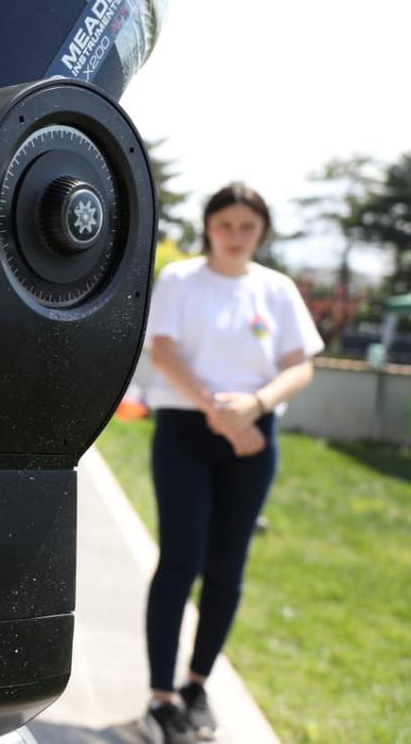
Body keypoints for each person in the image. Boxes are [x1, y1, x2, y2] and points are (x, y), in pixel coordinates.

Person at [138, 183, 322, 743]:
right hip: (186, 431)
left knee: (227, 565)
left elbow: (300, 365)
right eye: (225, 225)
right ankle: (160, 699)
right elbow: (163, 350)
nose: (235, 236)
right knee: (181, 560)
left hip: (253, 438)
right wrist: (218, 411)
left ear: (262, 231)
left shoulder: (276, 289)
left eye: (247, 226)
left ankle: (196, 687)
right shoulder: (181, 280)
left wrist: (254, 407)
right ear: (208, 227)